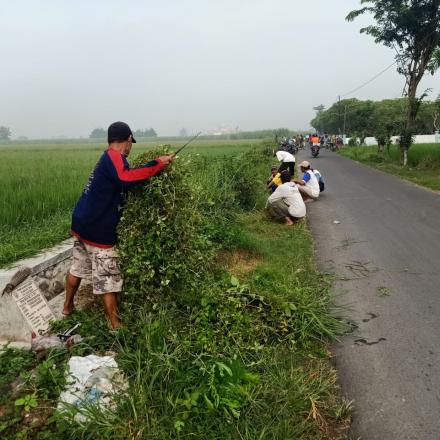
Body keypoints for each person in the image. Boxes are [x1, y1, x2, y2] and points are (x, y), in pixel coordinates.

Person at [63, 121, 174, 328]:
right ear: (128, 140)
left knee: (78, 267)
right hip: (97, 229)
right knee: (108, 277)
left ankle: (67, 307)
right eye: (131, 142)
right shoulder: (115, 157)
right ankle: (115, 325)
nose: (131, 147)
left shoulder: (106, 158)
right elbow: (126, 179)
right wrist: (157, 164)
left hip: (82, 223)